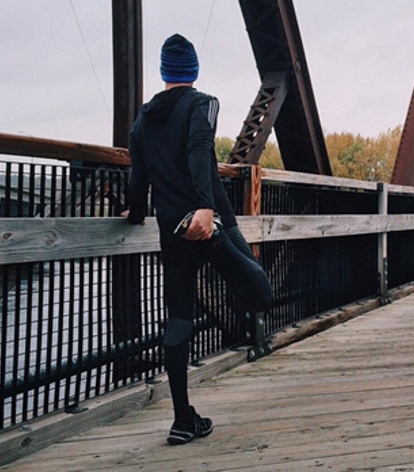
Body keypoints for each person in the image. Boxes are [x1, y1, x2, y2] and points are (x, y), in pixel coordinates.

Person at [124, 33, 273, 445]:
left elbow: (139, 179)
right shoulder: (202, 103)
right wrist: (207, 211)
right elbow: (198, 148)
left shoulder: (141, 121)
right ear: (192, 70)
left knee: (179, 320)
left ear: (163, 72)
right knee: (260, 295)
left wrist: (134, 214)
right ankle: (185, 418)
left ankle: (182, 419)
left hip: (171, 231)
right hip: (208, 224)